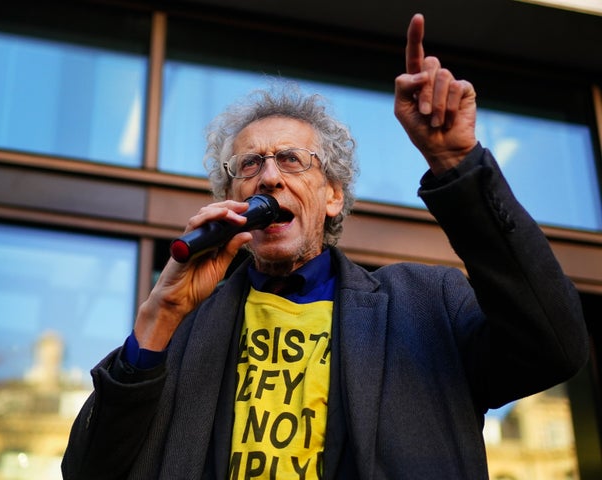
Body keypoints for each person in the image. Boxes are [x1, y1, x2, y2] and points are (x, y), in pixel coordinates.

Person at [61, 13, 588, 479]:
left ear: (333, 196)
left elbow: (554, 349)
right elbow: (87, 469)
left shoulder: (426, 305)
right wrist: (159, 319)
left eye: (291, 160)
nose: (267, 177)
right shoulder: (182, 330)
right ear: (230, 199)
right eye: (249, 165)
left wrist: (458, 167)